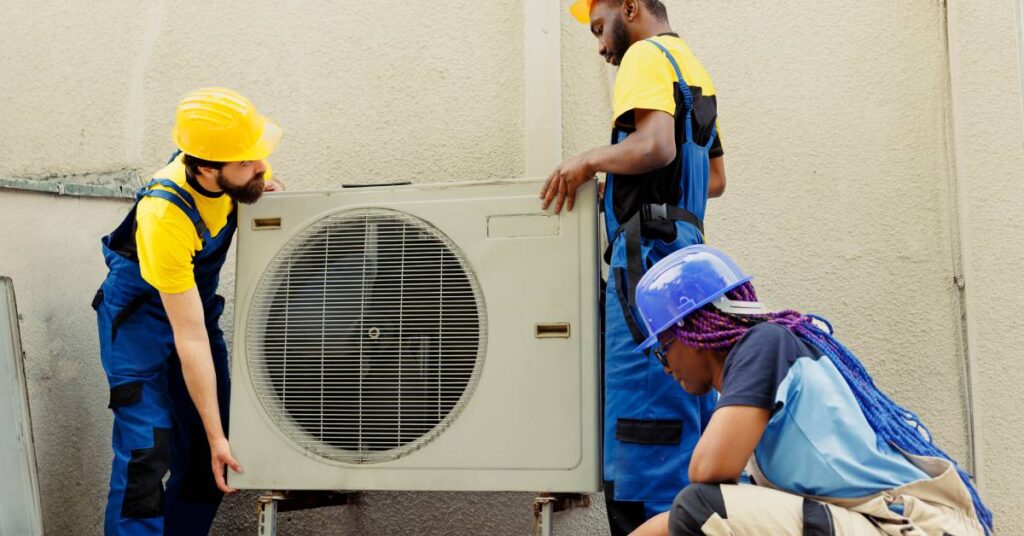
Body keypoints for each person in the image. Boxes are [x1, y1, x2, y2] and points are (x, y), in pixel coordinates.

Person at [627, 245, 991, 535]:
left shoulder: (763, 345)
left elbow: (707, 471)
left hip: (908, 526)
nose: (664, 366)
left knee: (702, 508)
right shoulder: (770, 364)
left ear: (695, 331)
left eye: (664, 348)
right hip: (890, 522)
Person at [540, 0, 726, 532]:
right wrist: (624, 184)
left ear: (630, 7)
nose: (600, 45)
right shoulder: (693, 67)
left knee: (641, 430)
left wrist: (589, 160)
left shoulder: (645, 54)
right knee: (684, 408)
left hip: (647, 260)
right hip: (688, 256)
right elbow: (713, 178)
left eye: (600, 28)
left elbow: (657, 146)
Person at [92, 87, 282, 535]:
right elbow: (189, 337)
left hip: (195, 314)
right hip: (138, 325)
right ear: (205, 168)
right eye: (247, 164)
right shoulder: (165, 215)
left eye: (259, 157)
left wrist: (217, 438)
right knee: (146, 451)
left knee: (210, 460)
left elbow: (197, 327)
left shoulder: (234, 159)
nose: (260, 168)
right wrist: (217, 435)